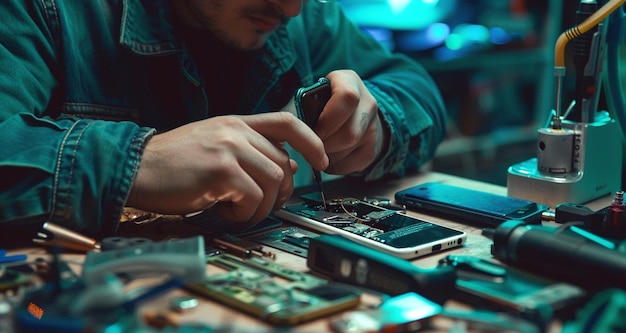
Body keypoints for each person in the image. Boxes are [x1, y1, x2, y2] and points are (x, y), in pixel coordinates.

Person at [0, 0, 447, 239]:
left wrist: (380, 123)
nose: (290, 9)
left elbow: (415, 86)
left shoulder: (305, 15)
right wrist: (136, 164)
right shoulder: (45, 8)